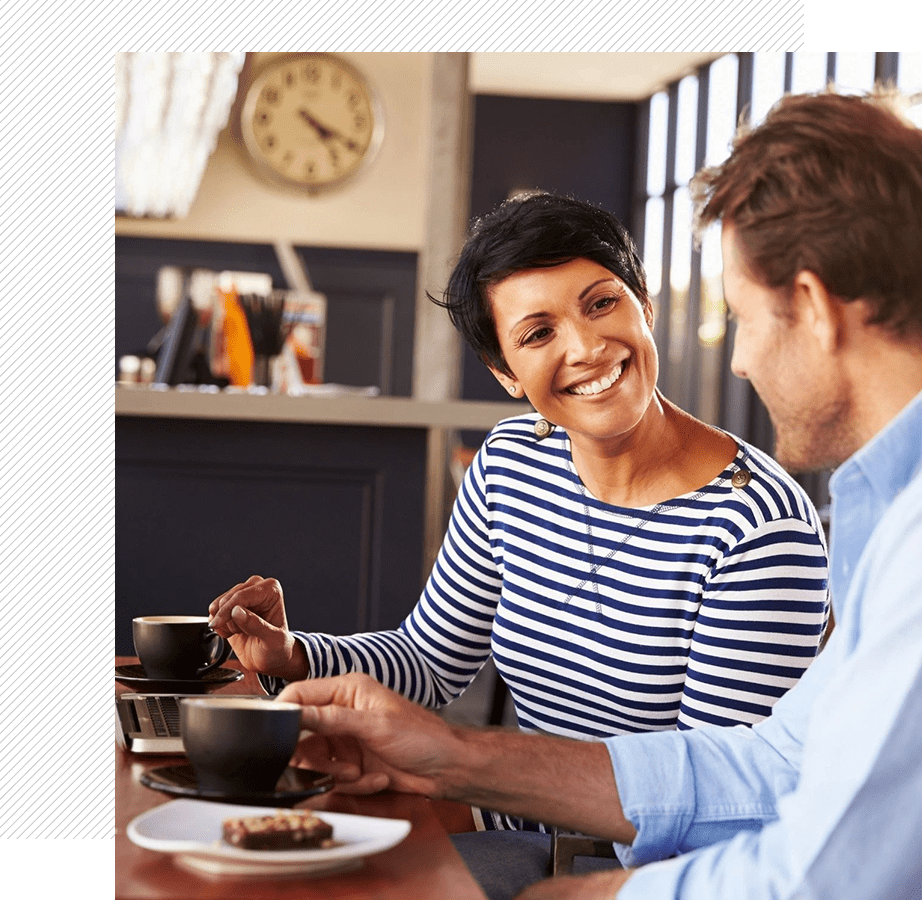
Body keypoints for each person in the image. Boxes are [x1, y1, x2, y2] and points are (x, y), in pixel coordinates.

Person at [270, 87, 922, 900]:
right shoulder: (890, 520)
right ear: (506, 374)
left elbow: (801, 858)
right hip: (518, 835)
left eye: (742, 317)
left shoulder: (781, 523)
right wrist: (439, 750)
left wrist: (582, 893)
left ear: (815, 310)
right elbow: (769, 769)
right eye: (537, 332)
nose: (741, 361)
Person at [209, 196, 829, 839]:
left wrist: (464, 781)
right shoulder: (511, 464)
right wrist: (293, 654)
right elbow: (428, 662)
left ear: (644, 305)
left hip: (630, 867)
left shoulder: (755, 524)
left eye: (601, 303)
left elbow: (716, 807)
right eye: (539, 333)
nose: (587, 347)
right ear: (505, 372)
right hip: (511, 822)